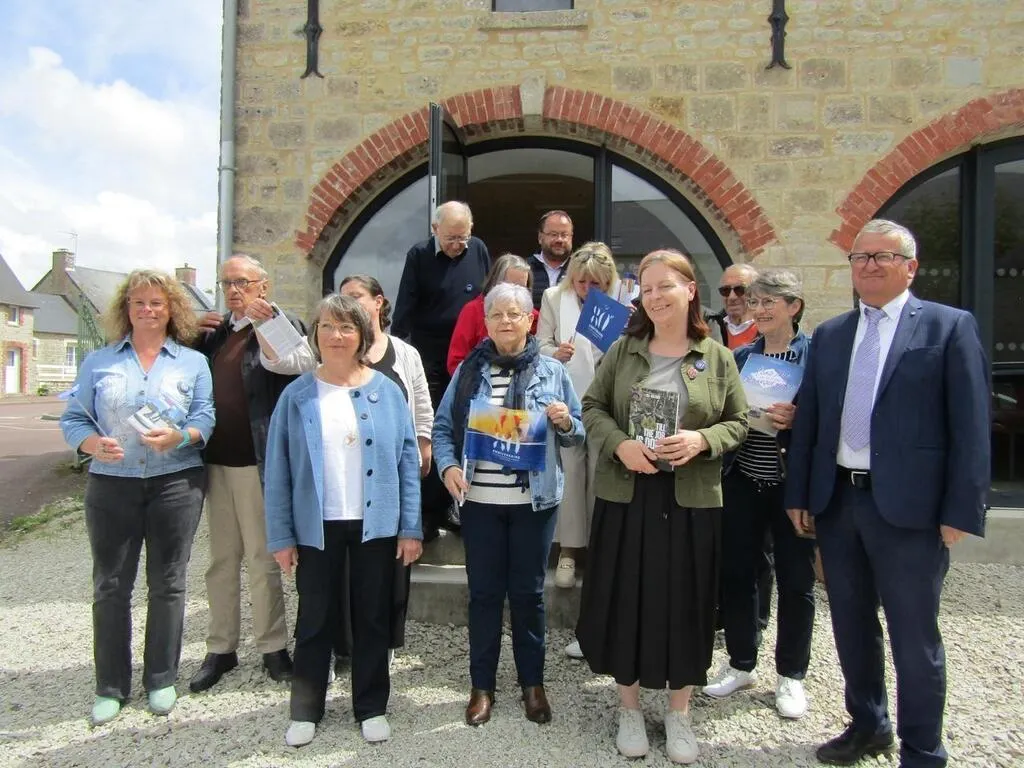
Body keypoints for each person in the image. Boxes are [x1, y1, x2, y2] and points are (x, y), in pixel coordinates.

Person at [785, 219, 989, 768]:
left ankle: (924, 750)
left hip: (912, 511)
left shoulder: (949, 328)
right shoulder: (830, 335)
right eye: (861, 257)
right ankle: (869, 725)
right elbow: (812, 423)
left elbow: (970, 426)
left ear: (910, 266)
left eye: (884, 256)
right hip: (839, 502)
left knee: (913, 635)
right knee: (850, 623)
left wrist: (960, 511)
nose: (870, 265)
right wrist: (800, 494)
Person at [576, 249, 748, 763]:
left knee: (686, 599)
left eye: (664, 286)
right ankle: (628, 706)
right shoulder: (623, 350)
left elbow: (739, 421)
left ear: (691, 290)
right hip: (627, 493)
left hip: (691, 498)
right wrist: (619, 444)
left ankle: (679, 711)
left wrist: (702, 441)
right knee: (626, 596)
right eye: (646, 289)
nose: (654, 297)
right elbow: (592, 407)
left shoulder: (715, 356)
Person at [263, 294, 423, 748]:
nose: (336, 335)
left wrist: (411, 527)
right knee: (315, 617)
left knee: (372, 616)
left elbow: (408, 462)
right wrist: (281, 535)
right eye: (327, 327)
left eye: (346, 327)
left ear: (362, 335)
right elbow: (277, 471)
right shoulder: (296, 396)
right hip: (318, 526)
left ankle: (370, 705)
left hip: (375, 525)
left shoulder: (388, 391)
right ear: (315, 335)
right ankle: (307, 707)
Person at [60, 269, 215, 725]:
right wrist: (89, 444)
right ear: (125, 310)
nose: (147, 311)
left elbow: (206, 418)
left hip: (176, 484)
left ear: (173, 309)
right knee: (110, 585)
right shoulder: (99, 362)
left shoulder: (191, 363)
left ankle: (161, 679)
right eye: (138, 303)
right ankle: (110, 685)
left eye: (157, 303)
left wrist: (181, 436)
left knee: (168, 583)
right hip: (112, 484)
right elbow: (74, 418)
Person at [432, 282, 584, 727]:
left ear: (530, 319)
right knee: (482, 595)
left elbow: (579, 434)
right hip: (478, 501)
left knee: (528, 595)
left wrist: (564, 420)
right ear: (486, 320)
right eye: (496, 314)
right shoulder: (468, 372)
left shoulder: (553, 372)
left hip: (533, 504)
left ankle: (532, 685)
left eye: (514, 314)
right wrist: (447, 469)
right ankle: (482, 687)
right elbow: (443, 430)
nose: (505, 321)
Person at [188, 254, 309, 694]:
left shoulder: (281, 322)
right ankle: (220, 647)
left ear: (264, 285)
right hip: (216, 463)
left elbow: (296, 364)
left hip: (259, 464)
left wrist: (266, 321)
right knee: (221, 561)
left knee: (263, 558)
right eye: (227, 283)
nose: (234, 290)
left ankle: (273, 646)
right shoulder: (216, 334)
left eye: (242, 282)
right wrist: (187, 330)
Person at [705, 269, 817, 721]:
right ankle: (741, 662)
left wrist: (801, 415)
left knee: (796, 581)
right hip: (743, 480)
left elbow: (833, 419)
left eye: (773, 300)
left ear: (794, 306)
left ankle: (791, 676)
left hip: (791, 486)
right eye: (757, 300)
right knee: (738, 572)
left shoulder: (815, 358)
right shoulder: (744, 356)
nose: (762, 307)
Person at [333, 274, 434, 672]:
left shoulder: (405, 353)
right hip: (346, 473)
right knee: (343, 563)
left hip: (393, 474)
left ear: (379, 302)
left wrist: (423, 442)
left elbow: (422, 402)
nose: (351, 306)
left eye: (357, 298)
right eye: (343, 300)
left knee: (392, 560)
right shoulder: (337, 352)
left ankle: (386, 640)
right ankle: (343, 644)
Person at [392, 200, 491, 540]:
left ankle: (461, 508)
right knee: (436, 433)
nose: (458, 244)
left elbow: (486, 300)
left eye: (463, 236)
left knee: (470, 432)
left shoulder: (478, 250)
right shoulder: (418, 256)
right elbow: (404, 309)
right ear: (435, 230)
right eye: (451, 237)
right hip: (431, 360)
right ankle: (429, 512)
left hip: (470, 359)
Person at [536, 241, 618, 588]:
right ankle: (568, 550)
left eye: (595, 283)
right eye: (582, 282)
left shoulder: (623, 302)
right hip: (566, 398)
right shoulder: (554, 297)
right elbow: (539, 345)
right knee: (569, 471)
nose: (587, 289)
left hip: (605, 400)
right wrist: (557, 352)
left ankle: (597, 549)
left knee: (601, 471)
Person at [447, 253, 539, 375]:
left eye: (522, 287)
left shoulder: (533, 316)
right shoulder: (472, 310)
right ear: (495, 282)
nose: (515, 291)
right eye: (510, 285)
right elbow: (456, 361)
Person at [529, 210, 574, 309]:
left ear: (571, 237)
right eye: (553, 234)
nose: (559, 240)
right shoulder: (525, 269)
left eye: (564, 235)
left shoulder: (579, 270)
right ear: (540, 237)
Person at [711, 264, 760, 349]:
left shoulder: (770, 331)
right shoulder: (710, 330)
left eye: (740, 290)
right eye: (726, 290)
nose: (732, 297)